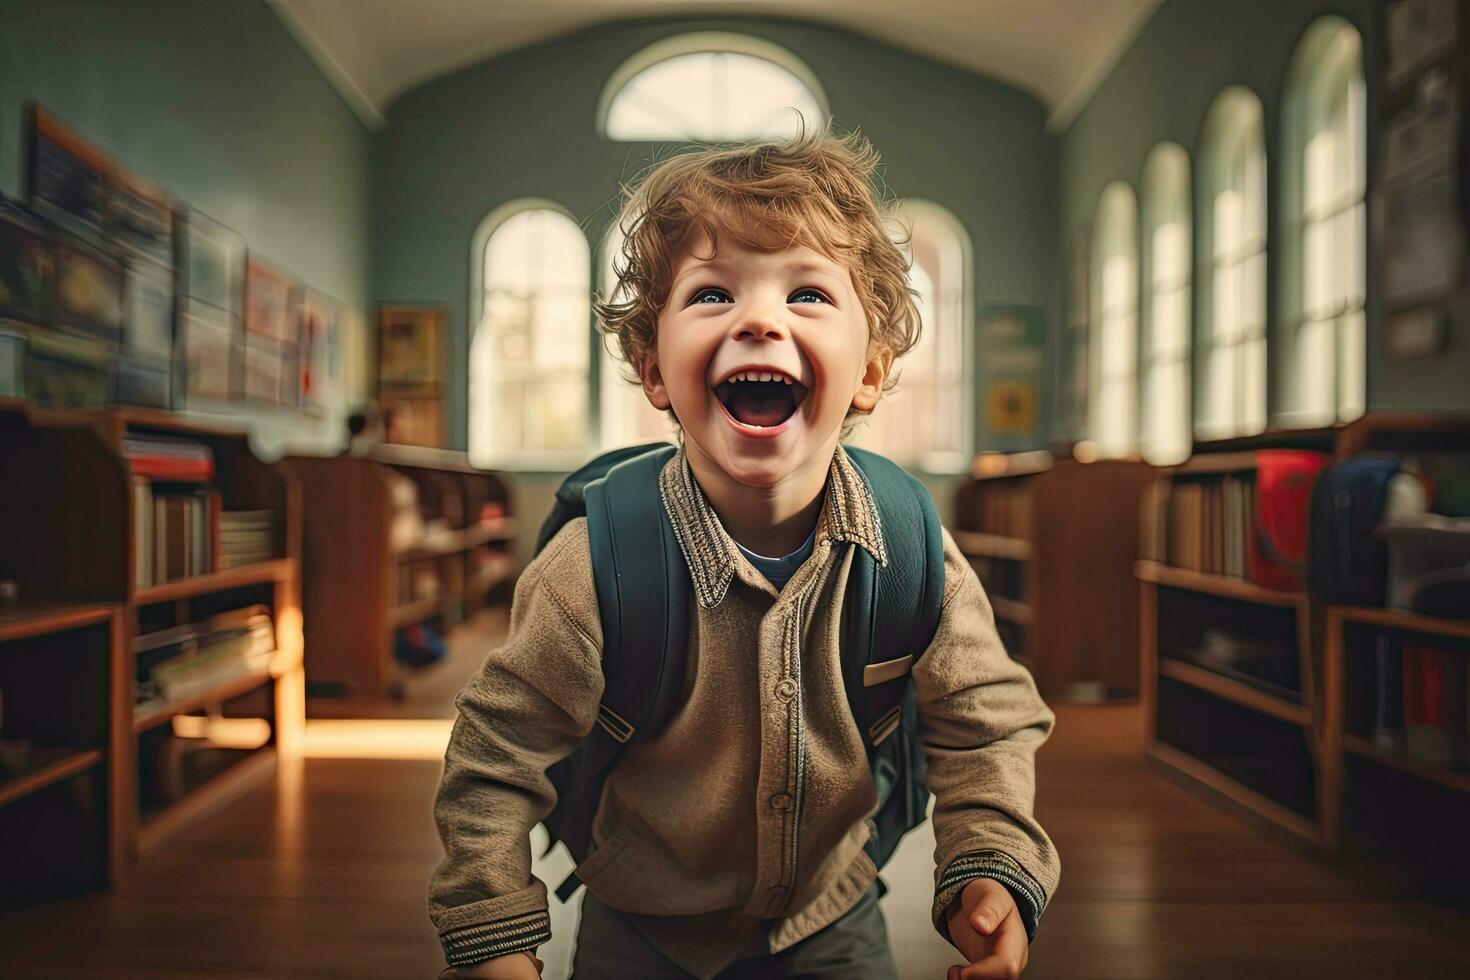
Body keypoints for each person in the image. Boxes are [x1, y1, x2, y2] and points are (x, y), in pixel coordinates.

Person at [429, 124, 1059, 980]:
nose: (761, 318)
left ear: (870, 370)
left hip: (830, 920)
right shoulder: (593, 568)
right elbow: (494, 760)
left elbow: (985, 725)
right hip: (638, 928)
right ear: (654, 370)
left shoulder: (913, 551)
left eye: (807, 295)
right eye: (713, 295)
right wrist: (495, 934)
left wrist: (988, 865)